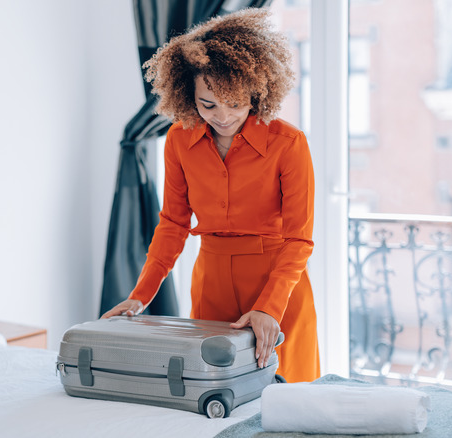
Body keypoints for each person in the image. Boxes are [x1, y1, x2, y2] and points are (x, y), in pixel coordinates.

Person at [101, 8, 319, 383]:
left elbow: (299, 239)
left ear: (255, 89)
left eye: (235, 103)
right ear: (189, 95)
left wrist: (269, 308)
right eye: (208, 104)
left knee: (287, 400)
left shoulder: (289, 143)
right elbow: (172, 224)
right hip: (211, 286)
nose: (222, 117)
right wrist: (141, 295)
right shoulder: (178, 140)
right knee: (214, 394)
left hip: (278, 287)